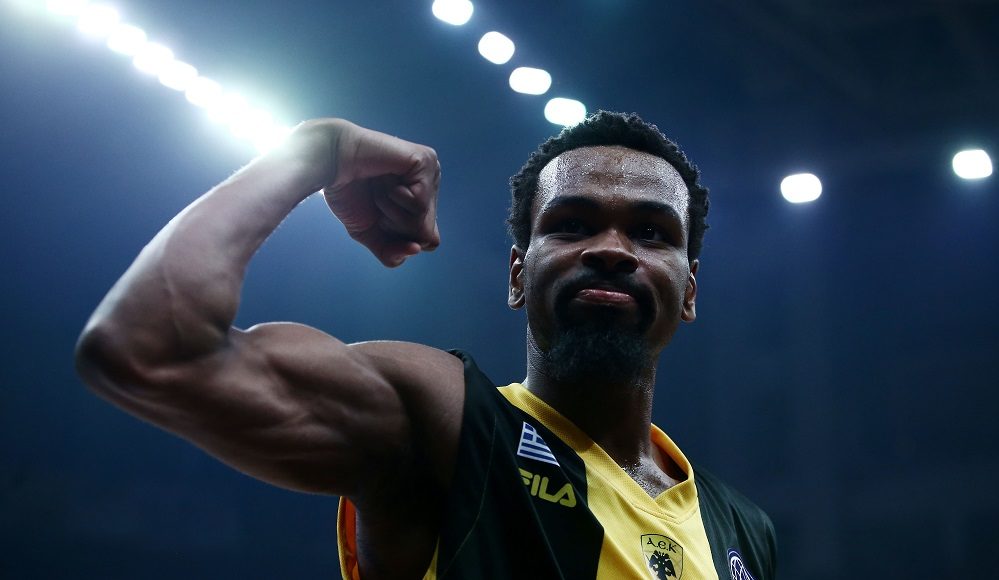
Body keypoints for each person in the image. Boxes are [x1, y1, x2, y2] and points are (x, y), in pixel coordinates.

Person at [76, 111, 777, 579]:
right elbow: (148, 350)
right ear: (517, 275)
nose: (612, 249)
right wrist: (315, 153)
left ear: (688, 290)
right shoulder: (444, 421)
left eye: (651, 233)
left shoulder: (741, 529)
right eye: (571, 224)